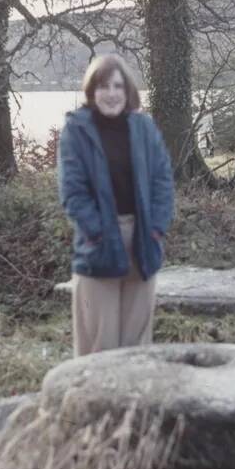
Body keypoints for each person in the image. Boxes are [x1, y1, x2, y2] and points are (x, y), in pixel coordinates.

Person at [56, 53, 175, 357]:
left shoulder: (144, 128)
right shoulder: (77, 130)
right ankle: (95, 405)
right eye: (103, 86)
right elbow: (73, 192)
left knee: (136, 347)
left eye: (118, 86)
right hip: (98, 244)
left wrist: (156, 230)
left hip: (143, 239)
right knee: (99, 346)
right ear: (91, 91)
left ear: (128, 90)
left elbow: (163, 182)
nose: (111, 94)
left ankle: (134, 405)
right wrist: (97, 233)